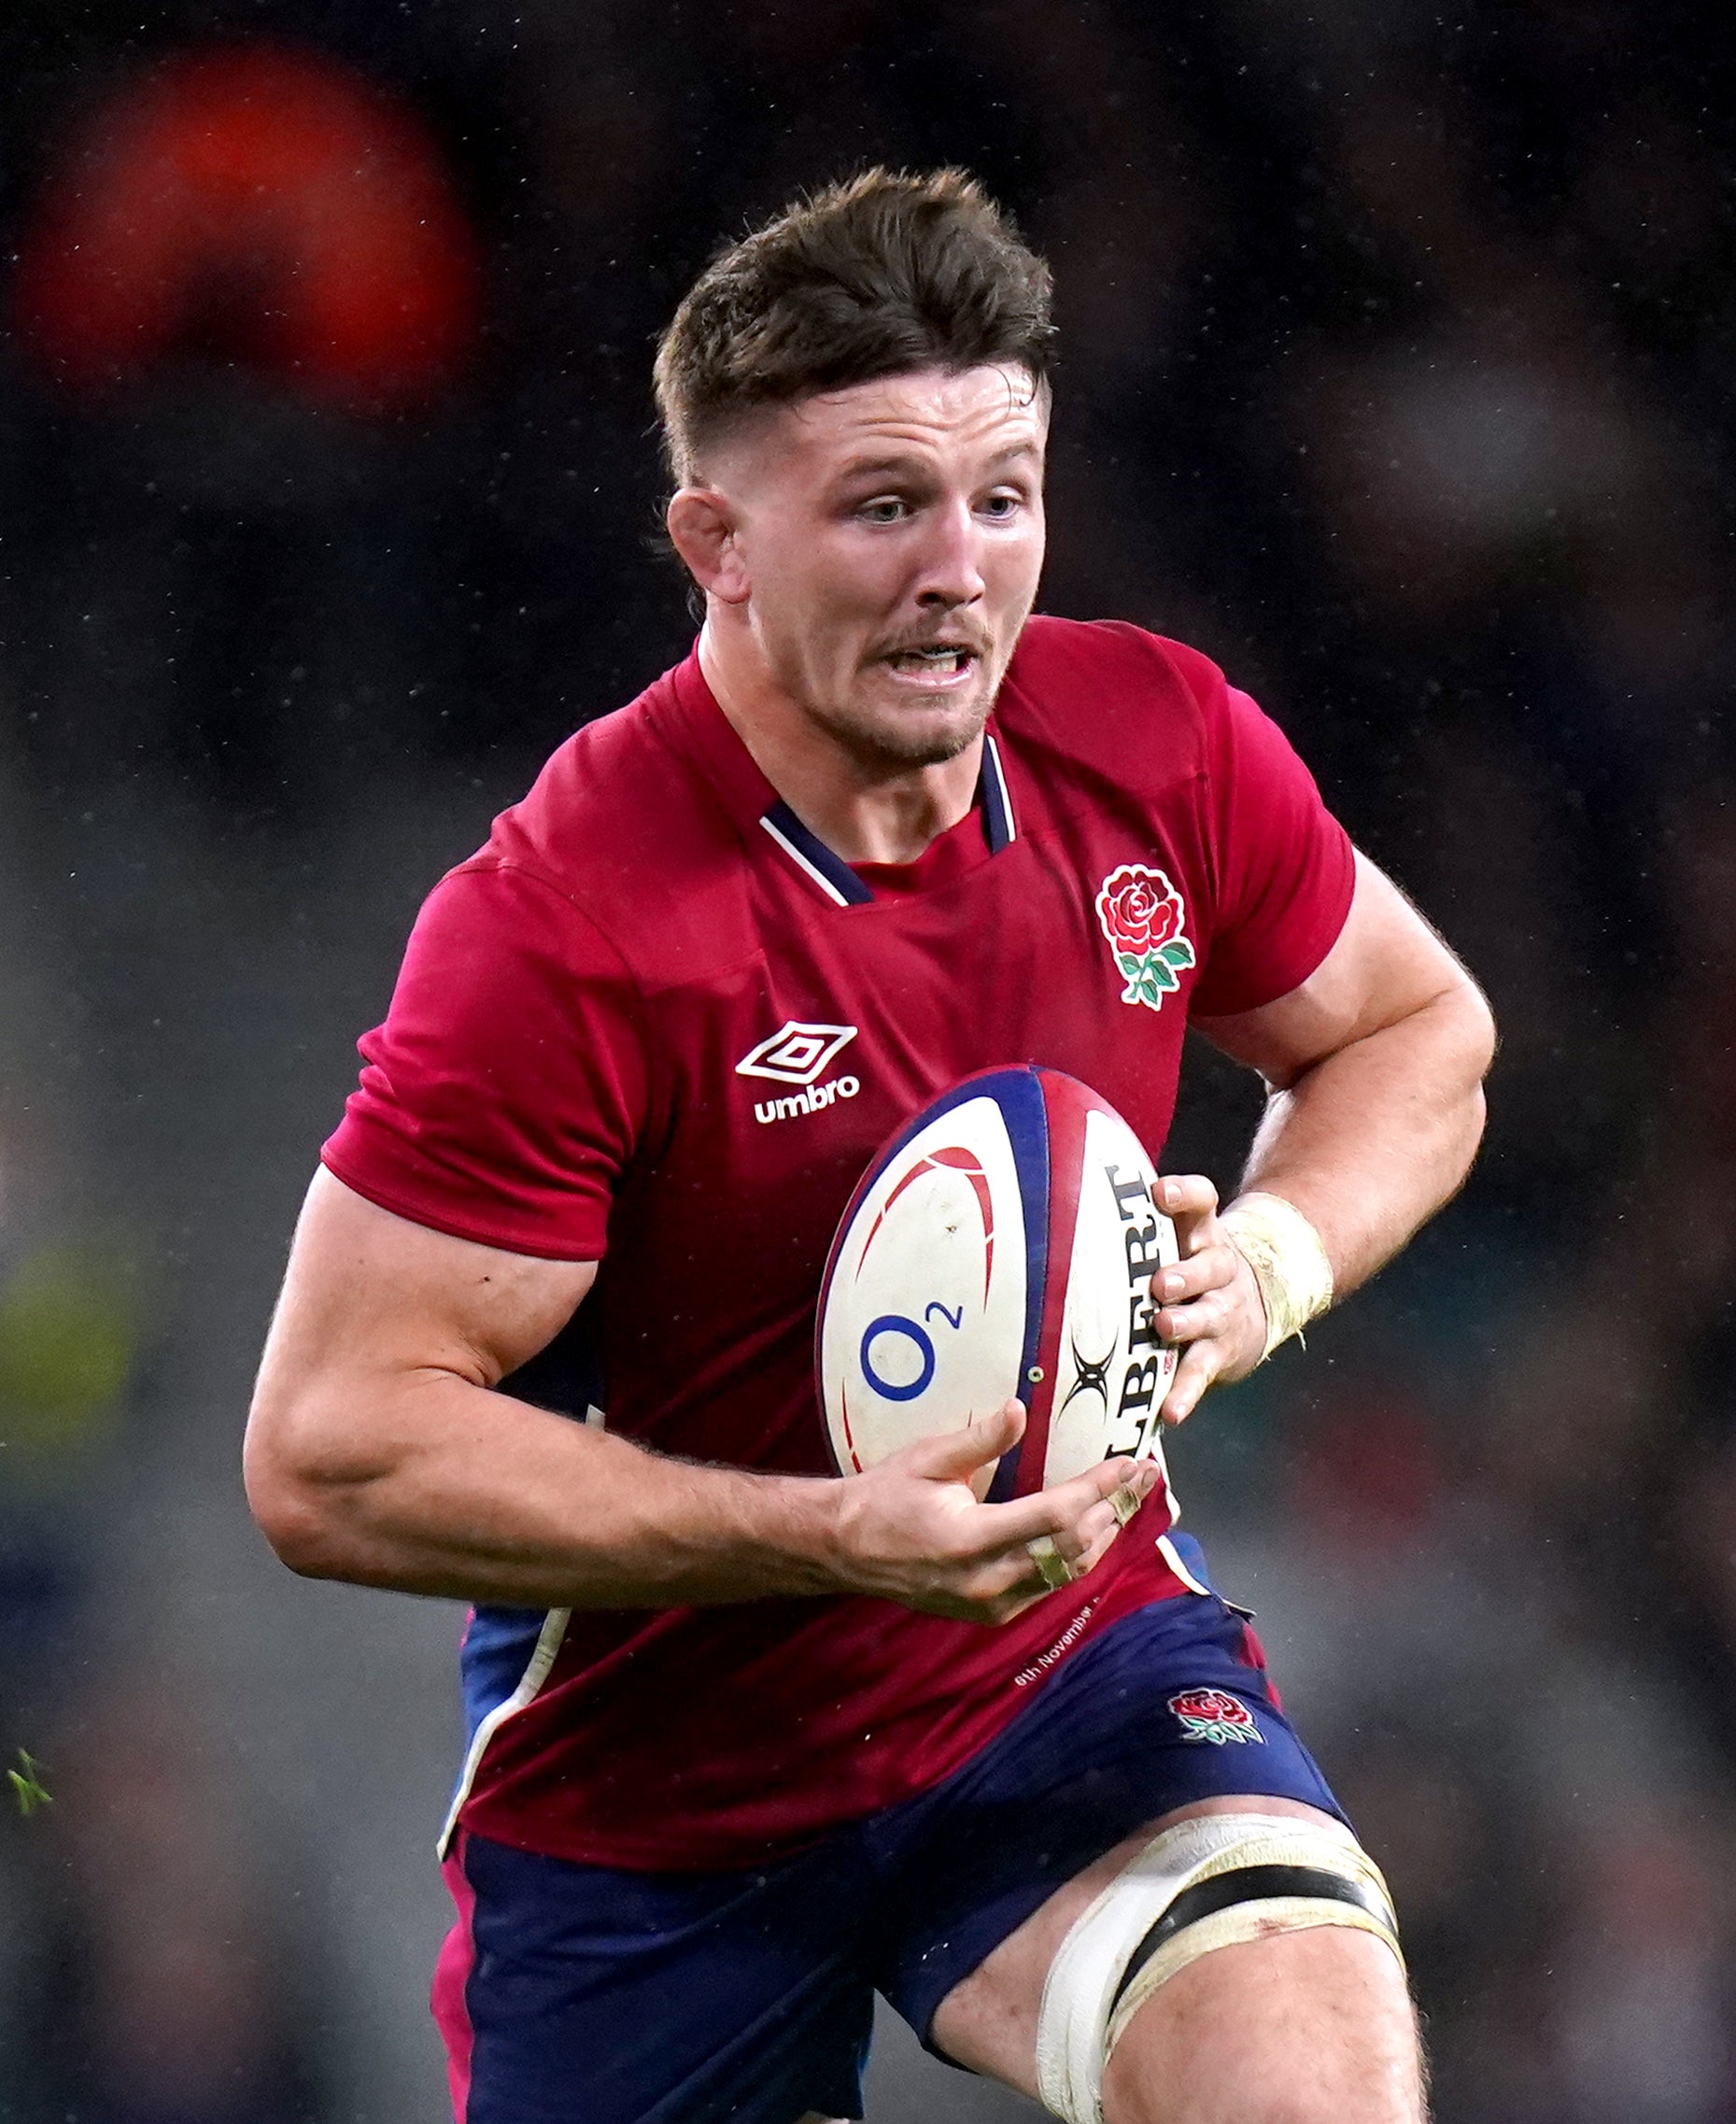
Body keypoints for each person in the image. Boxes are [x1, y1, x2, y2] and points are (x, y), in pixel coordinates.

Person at [245, 168, 1493, 2124]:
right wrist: (831, 1540)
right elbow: (328, 1452)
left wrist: (1263, 1267)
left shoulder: (1152, 745)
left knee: (1310, 2078)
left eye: (1004, 496)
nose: (961, 571)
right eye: (885, 505)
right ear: (715, 540)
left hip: (1067, 1683)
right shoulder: (566, 925)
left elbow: (1421, 1033)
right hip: (658, 1807)